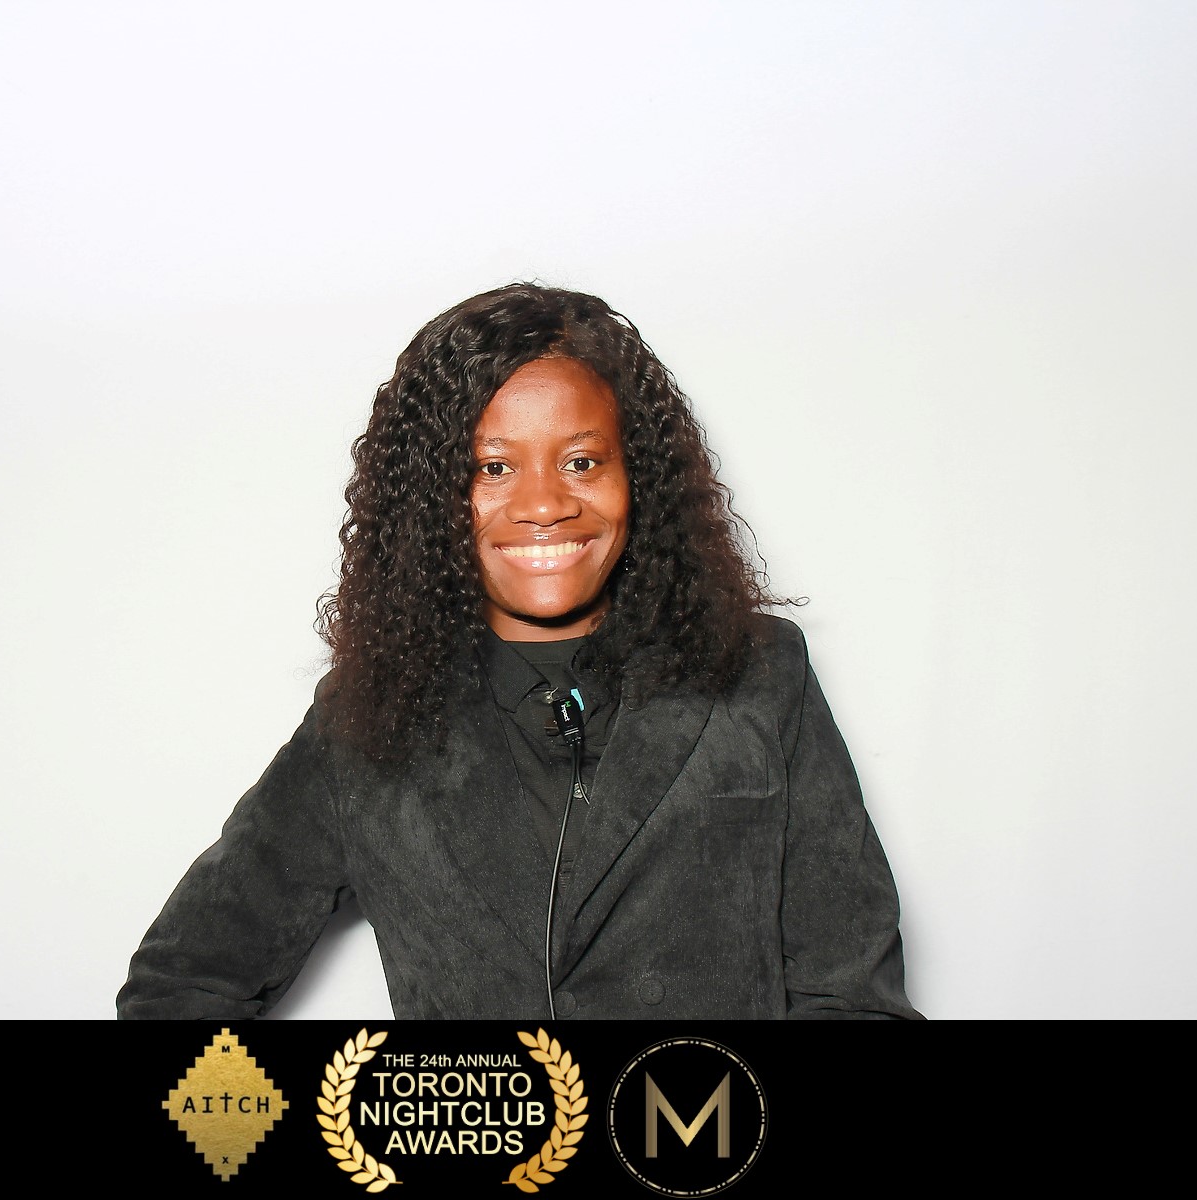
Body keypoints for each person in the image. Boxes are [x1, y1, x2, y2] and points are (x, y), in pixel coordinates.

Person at [118, 284, 920, 1020]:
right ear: (433, 497)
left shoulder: (760, 674)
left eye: (582, 461)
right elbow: (181, 985)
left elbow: (854, 996)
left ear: (637, 476)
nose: (543, 503)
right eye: (492, 467)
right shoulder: (362, 720)